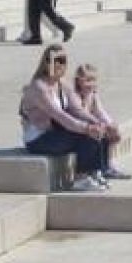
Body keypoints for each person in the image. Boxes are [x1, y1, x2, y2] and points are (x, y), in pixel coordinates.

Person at [19, 45, 108, 192]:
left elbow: (76, 109)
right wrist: (86, 128)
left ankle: (97, 172)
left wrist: (97, 122)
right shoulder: (39, 87)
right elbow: (60, 116)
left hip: (55, 131)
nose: (59, 65)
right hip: (38, 138)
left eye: (63, 60)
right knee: (85, 135)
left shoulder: (62, 84)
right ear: (46, 63)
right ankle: (80, 178)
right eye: (55, 60)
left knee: (99, 131)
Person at [72, 63, 132, 180]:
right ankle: (95, 170)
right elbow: (79, 115)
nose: (91, 84)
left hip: (91, 125)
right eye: (87, 80)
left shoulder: (93, 95)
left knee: (111, 133)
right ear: (79, 81)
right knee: (97, 134)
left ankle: (108, 165)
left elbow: (100, 112)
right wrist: (98, 124)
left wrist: (110, 124)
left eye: (93, 80)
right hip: (78, 127)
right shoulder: (74, 96)